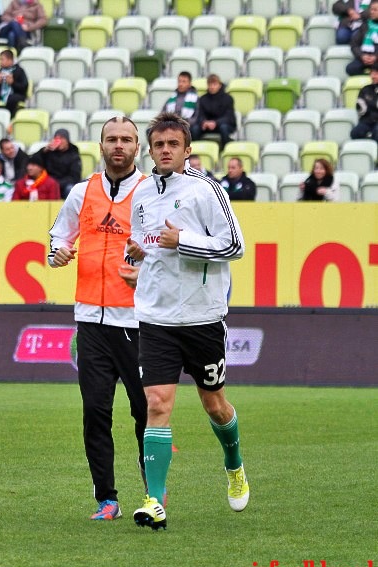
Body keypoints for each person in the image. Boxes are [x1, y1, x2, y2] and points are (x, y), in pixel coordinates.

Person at [118, 112, 247, 531]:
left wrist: (183, 241)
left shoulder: (207, 189)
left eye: (174, 144)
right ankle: (155, 500)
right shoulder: (140, 196)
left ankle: (234, 463)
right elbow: (149, 247)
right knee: (156, 403)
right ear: (150, 150)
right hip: (155, 316)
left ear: (187, 150)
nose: (166, 150)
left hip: (202, 317)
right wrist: (138, 257)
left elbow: (234, 245)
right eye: (159, 145)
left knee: (215, 403)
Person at [48, 115, 148, 521]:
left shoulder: (150, 192)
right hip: (90, 321)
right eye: (112, 139)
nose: (119, 145)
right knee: (95, 413)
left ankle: (152, 494)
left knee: (146, 413)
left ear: (137, 147)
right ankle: (107, 499)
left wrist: (149, 266)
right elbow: (60, 235)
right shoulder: (81, 192)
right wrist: (57, 253)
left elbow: (166, 249)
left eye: (126, 139)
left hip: (140, 323)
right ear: (101, 145)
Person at [189, 74, 236, 150]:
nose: (212, 87)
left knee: (224, 128)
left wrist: (216, 123)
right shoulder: (203, 99)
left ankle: (226, 150)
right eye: (210, 84)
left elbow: (229, 116)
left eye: (214, 84)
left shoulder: (228, 98)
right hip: (206, 125)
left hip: (223, 124)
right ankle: (197, 152)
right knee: (195, 129)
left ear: (220, 85)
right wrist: (204, 122)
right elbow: (199, 114)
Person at [35, 128, 82, 199]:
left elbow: (74, 177)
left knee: (70, 189)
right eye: (56, 138)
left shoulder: (74, 155)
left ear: (67, 141)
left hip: (65, 184)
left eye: (62, 138)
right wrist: (44, 151)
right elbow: (34, 162)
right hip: (49, 183)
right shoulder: (48, 152)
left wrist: (56, 184)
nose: (59, 141)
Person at [346, 0, 378, 76]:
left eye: (375, 10)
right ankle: (371, 74)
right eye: (371, 10)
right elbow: (354, 44)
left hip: (376, 58)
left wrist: (375, 57)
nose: (372, 12)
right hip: (364, 57)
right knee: (350, 68)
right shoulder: (365, 25)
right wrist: (362, 56)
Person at [352, 64, 378, 140]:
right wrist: (374, 105)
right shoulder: (365, 89)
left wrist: (369, 103)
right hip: (367, 120)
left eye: (376, 73)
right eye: (372, 73)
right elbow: (361, 109)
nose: (373, 76)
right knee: (355, 133)